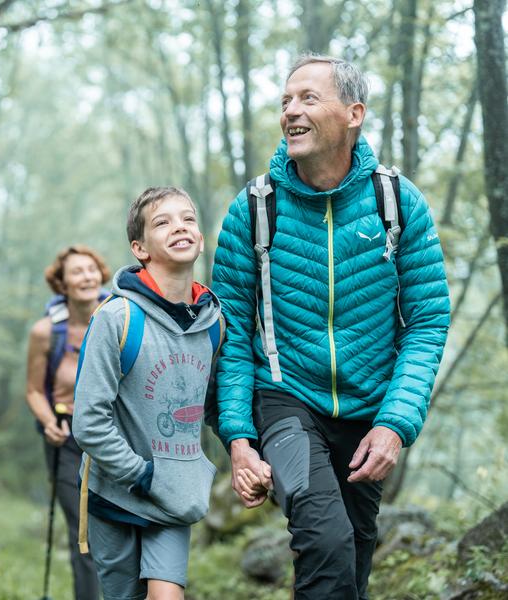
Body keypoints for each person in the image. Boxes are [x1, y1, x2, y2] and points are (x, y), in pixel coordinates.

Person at [211, 54, 450, 599]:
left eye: (308, 99)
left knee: (354, 555)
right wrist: (239, 439)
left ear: (353, 113)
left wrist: (395, 422)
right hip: (286, 401)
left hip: (370, 411)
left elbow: (429, 319)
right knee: (325, 540)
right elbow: (227, 336)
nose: (290, 112)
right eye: (285, 101)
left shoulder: (397, 202)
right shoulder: (254, 209)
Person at [73, 187, 227, 600]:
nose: (180, 226)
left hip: (174, 497)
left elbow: (212, 405)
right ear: (139, 248)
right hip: (115, 495)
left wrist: (246, 451)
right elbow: (88, 422)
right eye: (163, 221)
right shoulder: (117, 319)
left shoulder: (215, 323)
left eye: (188, 219)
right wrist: (141, 474)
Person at [25, 245, 110, 599]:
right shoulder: (45, 332)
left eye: (91, 269)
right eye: (77, 271)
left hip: (112, 440)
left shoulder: (118, 317)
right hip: (66, 442)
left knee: (117, 531)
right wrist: (48, 422)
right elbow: (33, 390)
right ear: (62, 284)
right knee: (84, 536)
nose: (87, 277)